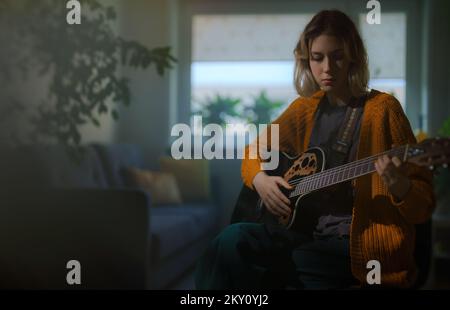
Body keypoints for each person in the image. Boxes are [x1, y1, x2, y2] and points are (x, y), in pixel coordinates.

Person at [195, 9, 435, 289]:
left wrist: (401, 186)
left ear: (353, 57)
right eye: (317, 58)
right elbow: (254, 151)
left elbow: (423, 205)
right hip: (305, 235)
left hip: (357, 251)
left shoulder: (383, 110)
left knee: (259, 271)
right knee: (229, 241)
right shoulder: (305, 109)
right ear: (306, 60)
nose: (327, 68)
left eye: (337, 56)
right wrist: (260, 180)